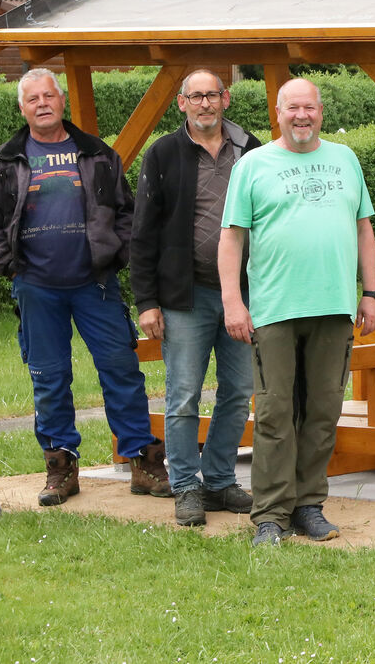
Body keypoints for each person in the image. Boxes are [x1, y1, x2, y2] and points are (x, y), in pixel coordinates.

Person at [0, 68, 168, 507]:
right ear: (22, 108)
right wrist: (9, 266)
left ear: (61, 101)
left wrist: (114, 255)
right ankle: (61, 469)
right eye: (32, 99)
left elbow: (125, 211)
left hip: (94, 285)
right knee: (49, 378)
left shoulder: (97, 154)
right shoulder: (4, 163)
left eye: (49, 96)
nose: (42, 104)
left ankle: (144, 460)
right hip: (36, 287)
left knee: (121, 370)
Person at [220, 78, 375, 545]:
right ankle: (270, 514)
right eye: (293, 109)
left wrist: (371, 292)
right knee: (273, 413)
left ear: (321, 111)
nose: (302, 116)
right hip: (273, 308)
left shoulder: (345, 160)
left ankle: (309, 506)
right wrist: (234, 301)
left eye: (309, 108)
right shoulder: (253, 166)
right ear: (278, 112)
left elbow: (363, 228)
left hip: (332, 307)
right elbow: (231, 239)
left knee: (323, 411)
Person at [131, 69, 261, 526]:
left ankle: (220, 481)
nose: (205, 104)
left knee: (239, 390)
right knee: (183, 395)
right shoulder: (164, 153)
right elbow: (142, 232)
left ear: (225, 99)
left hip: (243, 297)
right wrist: (146, 301)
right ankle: (186, 486)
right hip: (184, 299)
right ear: (181, 104)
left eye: (212, 95)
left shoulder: (251, 150)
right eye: (196, 96)